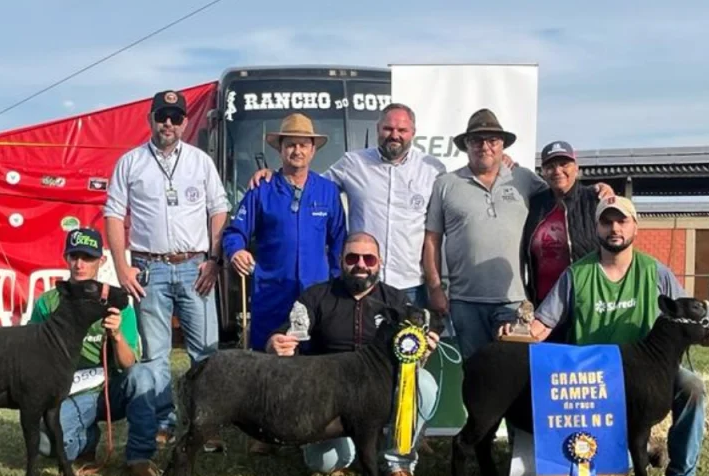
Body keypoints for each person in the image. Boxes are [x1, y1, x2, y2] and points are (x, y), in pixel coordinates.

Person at [505, 195, 709, 476]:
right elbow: (542, 325)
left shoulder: (656, 273)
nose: (614, 228)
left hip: (648, 373)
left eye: (622, 221)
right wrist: (515, 334)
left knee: (693, 388)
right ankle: (630, 452)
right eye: (606, 222)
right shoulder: (577, 274)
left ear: (635, 227)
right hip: (593, 380)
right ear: (596, 228)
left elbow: (687, 315)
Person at [103, 89, 230, 451]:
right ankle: (163, 422)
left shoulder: (200, 161)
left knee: (205, 352)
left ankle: (206, 424)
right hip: (149, 269)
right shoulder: (131, 162)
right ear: (151, 120)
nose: (168, 124)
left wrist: (214, 259)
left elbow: (218, 209)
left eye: (175, 118)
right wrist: (121, 266)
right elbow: (113, 213)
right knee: (156, 354)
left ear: (185, 122)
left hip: (195, 267)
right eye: (162, 117)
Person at [266, 232, 440, 476]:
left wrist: (425, 348)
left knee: (423, 384)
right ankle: (342, 451)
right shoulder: (315, 296)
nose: (361, 264)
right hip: (328, 393)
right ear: (341, 260)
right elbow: (287, 333)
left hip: (380, 387)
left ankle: (398, 463)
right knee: (326, 463)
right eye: (352, 258)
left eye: (369, 259)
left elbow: (417, 343)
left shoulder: (397, 300)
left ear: (379, 262)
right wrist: (275, 342)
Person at [248, 103, 445, 306]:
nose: (394, 135)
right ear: (378, 129)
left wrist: (435, 287)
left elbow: (435, 233)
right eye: (388, 128)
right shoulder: (353, 163)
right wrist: (276, 176)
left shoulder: (432, 170)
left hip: (410, 284)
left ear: (413, 132)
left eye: (402, 130)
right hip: (362, 282)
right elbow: (307, 186)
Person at [31, 228, 161, 476]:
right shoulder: (47, 303)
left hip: (109, 391)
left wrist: (117, 336)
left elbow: (128, 363)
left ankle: (139, 458)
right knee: (49, 445)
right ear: (66, 258)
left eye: (88, 258)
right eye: (74, 256)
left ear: (101, 261)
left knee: (143, 376)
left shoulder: (117, 301)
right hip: (69, 391)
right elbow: (33, 352)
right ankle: (88, 440)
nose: (80, 264)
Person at [421, 109, 547, 360]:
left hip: (514, 301)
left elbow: (559, 198)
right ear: (466, 145)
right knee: (475, 370)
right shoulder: (446, 184)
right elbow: (432, 239)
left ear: (503, 145)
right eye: (477, 140)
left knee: (513, 370)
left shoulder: (523, 178)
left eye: (492, 140)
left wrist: (596, 191)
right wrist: (435, 288)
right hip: (465, 302)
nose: (485, 146)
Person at [222, 112, 346, 352]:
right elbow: (235, 232)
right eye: (290, 144)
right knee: (269, 361)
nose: (297, 151)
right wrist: (236, 251)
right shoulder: (261, 189)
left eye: (303, 145)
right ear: (280, 149)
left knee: (315, 363)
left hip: (316, 295)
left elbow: (339, 243)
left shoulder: (328, 191)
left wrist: (337, 288)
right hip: (271, 294)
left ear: (313, 150)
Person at [521, 140, 613, 338]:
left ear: (576, 168)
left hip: (587, 304)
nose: (557, 171)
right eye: (550, 166)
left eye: (564, 164)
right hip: (544, 308)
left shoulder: (594, 199)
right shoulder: (535, 204)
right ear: (543, 172)